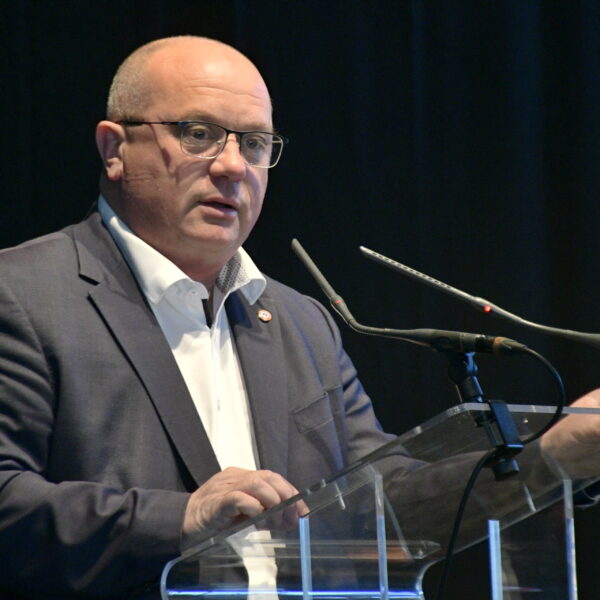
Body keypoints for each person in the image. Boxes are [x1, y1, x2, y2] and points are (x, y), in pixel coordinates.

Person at [1, 35, 599, 600]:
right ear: (114, 149)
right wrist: (181, 518)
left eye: (254, 144)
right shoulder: (22, 295)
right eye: (199, 134)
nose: (233, 166)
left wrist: (552, 457)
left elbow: (381, 504)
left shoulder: (301, 321)